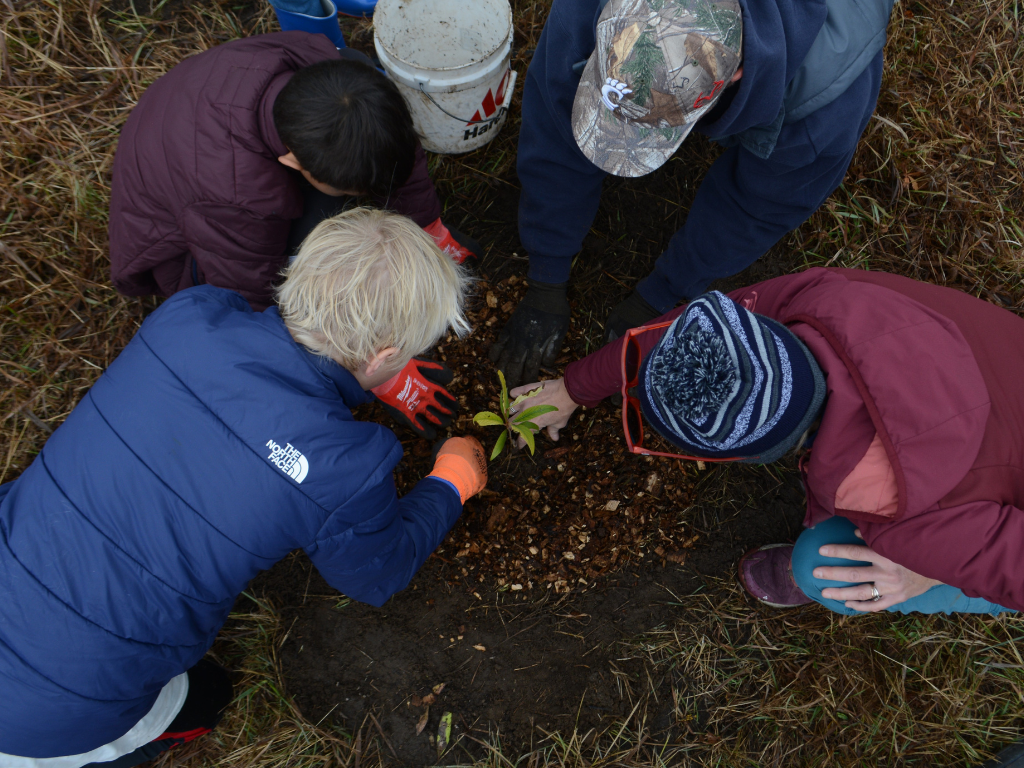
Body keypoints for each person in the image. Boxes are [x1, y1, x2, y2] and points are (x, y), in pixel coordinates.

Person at [0, 209, 487, 766]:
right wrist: (450, 483)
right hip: (42, 716)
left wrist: (348, 380)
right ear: (383, 358)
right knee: (207, 696)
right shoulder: (345, 469)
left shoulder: (189, 316)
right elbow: (379, 573)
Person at [509, 267, 1023, 616]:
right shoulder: (820, 300)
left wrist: (930, 572)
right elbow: (675, 339)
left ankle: (939, 587)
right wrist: (574, 387)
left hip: (975, 506)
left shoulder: (909, 525)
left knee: (824, 566)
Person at [492, 0, 896, 386]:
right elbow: (556, 111)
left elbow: (752, 211)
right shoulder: (591, 9)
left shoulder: (821, 107)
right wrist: (547, 273)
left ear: (736, 74)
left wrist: (661, 296)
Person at [109, 32, 478, 438]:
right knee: (317, 243)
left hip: (201, 131)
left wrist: (430, 226)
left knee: (364, 152)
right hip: (181, 250)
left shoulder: (341, 82)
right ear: (291, 160)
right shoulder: (237, 199)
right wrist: (371, 366)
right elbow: (255, 300)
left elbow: (395, 148)